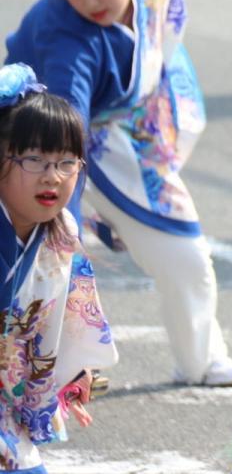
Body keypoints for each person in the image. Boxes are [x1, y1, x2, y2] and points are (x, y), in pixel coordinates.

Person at [6, 0, 232, 387]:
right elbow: (66, 124)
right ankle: (49, 365)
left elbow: (164, 46)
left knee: (183, 253)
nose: (87, 2)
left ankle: (199, 358)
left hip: (136, 122)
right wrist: (61, 212)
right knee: (48, 246)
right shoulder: (67, 33)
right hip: (48, 139)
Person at [0, 64, 118, 472]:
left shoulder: (61, 230)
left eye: (67, 162)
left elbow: (70, 311)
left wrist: (75, 369)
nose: (53, 177)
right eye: (34, 159)